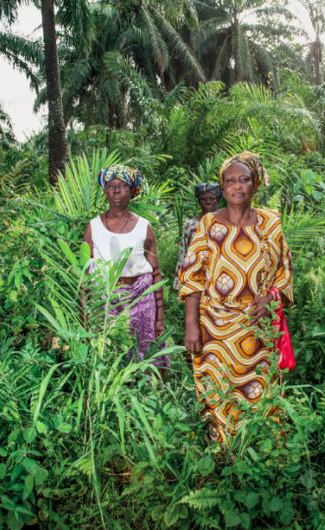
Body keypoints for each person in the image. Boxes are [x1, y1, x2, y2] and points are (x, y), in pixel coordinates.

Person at [179, 152, 293, 443]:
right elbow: (192, 276)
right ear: (222, 186)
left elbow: (284, 270)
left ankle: (259, 449)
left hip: (259, 326)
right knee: (217, 389)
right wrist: (191, 324)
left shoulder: (270, 223)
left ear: (255, 184)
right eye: (230, 180)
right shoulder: (207, 225)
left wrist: (270, 298)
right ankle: (224, 451)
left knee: (261, 391)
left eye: (244, 180)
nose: (237, 186)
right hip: (215, 325)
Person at [83, 165, 166, 368]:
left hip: (141, 297)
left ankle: (149, 395)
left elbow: (155, 273)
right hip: (105, 298)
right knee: (110, 354)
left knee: (147, 351)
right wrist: (83, 315)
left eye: (122, 186)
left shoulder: (144, 227)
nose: (117, 190)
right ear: (105, 192)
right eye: (111, 186)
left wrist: (159, 318)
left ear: (132, 191)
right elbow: (85, 275)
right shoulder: (93, 227)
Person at [174, 183, 222, 290]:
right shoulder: (191, 225)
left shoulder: (226, 222)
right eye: (203, 199)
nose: (208, 201)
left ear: (217, 199)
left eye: (212, 198)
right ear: (199, 201)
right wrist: (179, 281)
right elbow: (184, 252)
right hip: (196, 276)